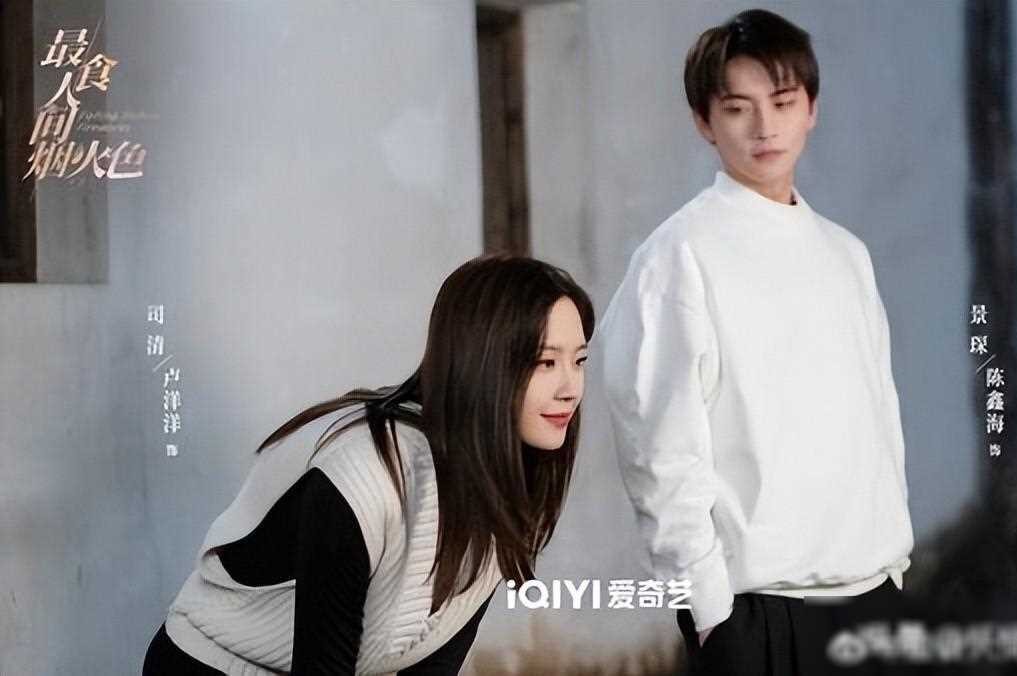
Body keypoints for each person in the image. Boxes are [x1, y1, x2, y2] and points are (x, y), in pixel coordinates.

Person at [597, 9, 914, 675]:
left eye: (783, 102)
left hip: (873, 598)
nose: (764, 128)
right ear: (703, 121)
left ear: (811, 109)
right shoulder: (678, 255)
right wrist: (709, 611)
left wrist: (896, 566)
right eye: (737, 108)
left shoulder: (846, 254)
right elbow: (659, 451)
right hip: (759, 613)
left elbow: (880, 417)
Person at [143, 254, 594, 675]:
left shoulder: (513, 477)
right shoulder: (365, 477)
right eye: (546, 362)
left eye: (579, 361)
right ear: (483, 364)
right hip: (209, 665)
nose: (570, 388)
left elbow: (437, 657)